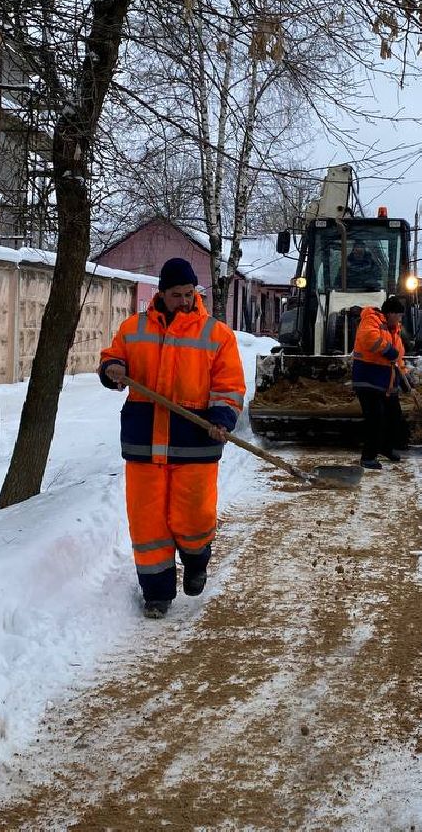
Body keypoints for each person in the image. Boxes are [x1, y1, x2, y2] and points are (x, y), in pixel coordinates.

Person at [99, 258, 246, 619]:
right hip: (144, 443)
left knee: (193, 517)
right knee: (148, 523)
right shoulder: (134, 328)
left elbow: (229, 386)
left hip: (194, 441)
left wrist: (222, 417)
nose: (184, 300)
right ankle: (157, 593)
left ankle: (196, 562)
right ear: (161, 293)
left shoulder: (217, 335)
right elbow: (112, 358)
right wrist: (112, 369)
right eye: (177, 294)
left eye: (189, 293)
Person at [351, 295, 411, 470]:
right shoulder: (371, 319)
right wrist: (387, 350)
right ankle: (368, 457)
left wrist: (405, 378)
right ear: (390, 313)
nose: (400, 319)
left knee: (394, 416)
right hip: (368, 378)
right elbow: (369, 338)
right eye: (399, 315)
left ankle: (386, 447)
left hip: (387, 381)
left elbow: (398, 357)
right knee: (375, 418)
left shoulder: (395, 330)